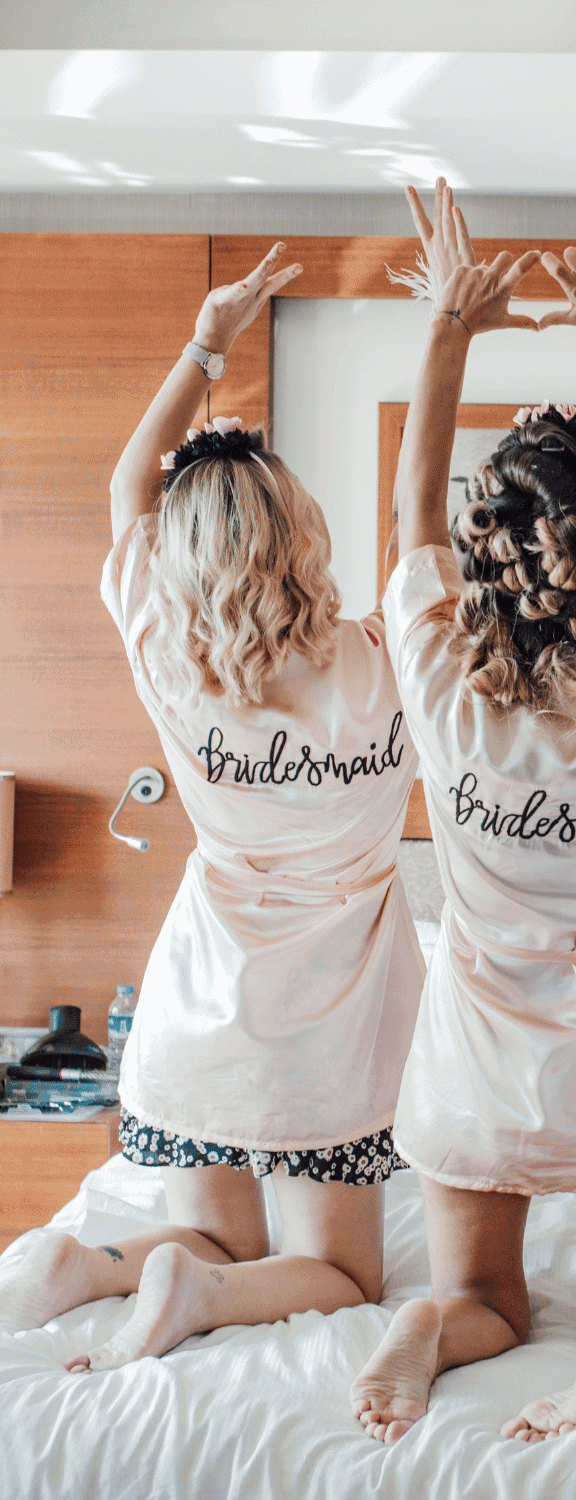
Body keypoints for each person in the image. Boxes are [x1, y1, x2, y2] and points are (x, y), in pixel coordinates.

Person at [0, 244, 425, 1366]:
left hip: (200, 1015)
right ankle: (195, 1295)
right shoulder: (386, 664)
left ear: (183, 557)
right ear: (305, 535)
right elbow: (421, 532)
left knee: (206, 1233)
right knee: (340, 1272)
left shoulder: (168, 652)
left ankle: (87, 1267)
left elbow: (125, 484)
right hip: (326, 1035)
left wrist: (208, 342)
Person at [349, 183, 576, 1445]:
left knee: (482, 1296)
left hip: (474, 1063)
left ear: (490, 551)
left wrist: (450, 325)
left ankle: (427, 1331)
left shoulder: (448, 698)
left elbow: (405, 522)